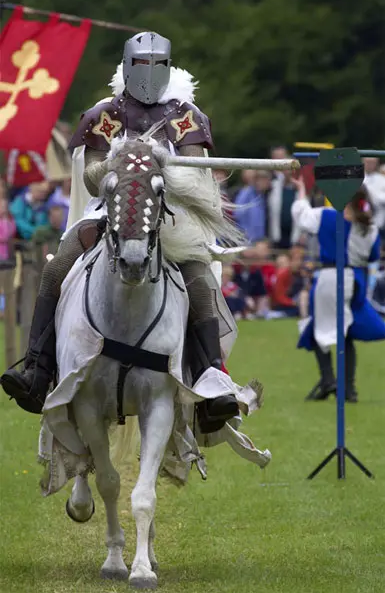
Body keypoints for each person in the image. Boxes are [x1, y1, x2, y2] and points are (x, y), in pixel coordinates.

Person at [1, 32, 240, 433]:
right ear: (128, 65)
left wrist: (162, 164)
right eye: (140, 65)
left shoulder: (185, 115)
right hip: (110, 214)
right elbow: (93, 177)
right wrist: (117, 163)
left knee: (199, 281)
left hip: (168, 218)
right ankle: (37, 371)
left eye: (155, 65)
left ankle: (210, 382)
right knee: (57, 268)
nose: (147, 74)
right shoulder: (105, 113)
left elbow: (197, 170)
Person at [291, 180, 385, 402]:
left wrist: (300, 190)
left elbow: (301, 215)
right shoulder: (368, 227)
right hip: (356, 280)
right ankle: (347, 389)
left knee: (319, 330)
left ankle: (329, 381)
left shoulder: (327, 216)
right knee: (346, 333)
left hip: (330, 279)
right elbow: (372, 257)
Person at [234, 170, 271, 243]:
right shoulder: (246, 192)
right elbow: (238, 213)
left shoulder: (262, 195)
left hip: (259, 240)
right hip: (246, 239)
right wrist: (245, 232)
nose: (265, 183)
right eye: (261, 180)